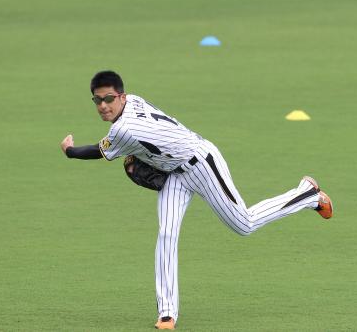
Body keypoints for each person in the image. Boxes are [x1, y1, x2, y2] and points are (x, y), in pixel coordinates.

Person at [60, 70, 334, 330]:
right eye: (97, 100)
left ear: (121, 96)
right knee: (166, 233)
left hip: (202, 164)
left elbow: (99, 151)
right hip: (174, 176)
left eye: (109, 99)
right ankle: (167, 312)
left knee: (244, 224)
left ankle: (307, 194)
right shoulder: (134, 101)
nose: (103, 105)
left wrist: (70, 151)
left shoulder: (123, 130)